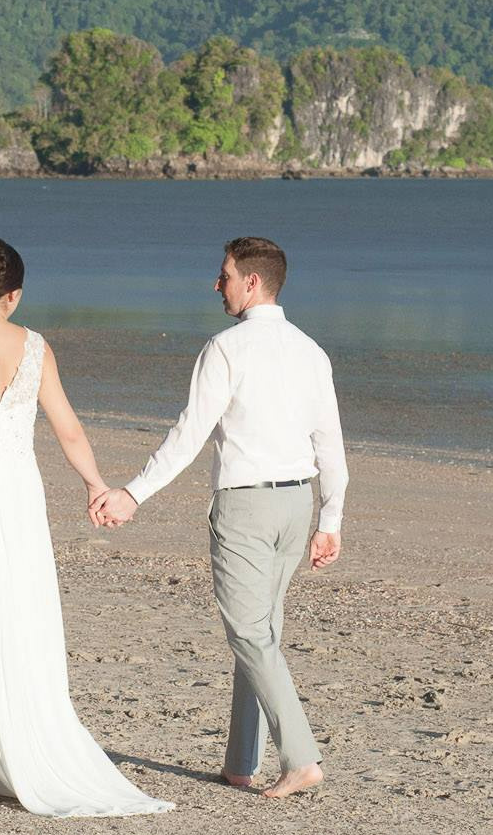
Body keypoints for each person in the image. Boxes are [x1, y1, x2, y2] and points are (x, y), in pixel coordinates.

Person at [0, 236, 171, 818]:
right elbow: (69, 429)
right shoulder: (36, 347)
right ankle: (25, 744)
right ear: (14, 294)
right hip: (20, 494)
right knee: (24, 611)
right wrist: (95, 484)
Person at [91, 236, 349, 800]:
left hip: (247, 505)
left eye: (225, 275)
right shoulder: (312, 350)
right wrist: (330, 517)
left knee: (252, 633)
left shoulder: (226, 347)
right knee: (262, 633)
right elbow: (329, 442)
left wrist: (133, 493)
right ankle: (240, 763)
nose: (217, 284)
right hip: (296, 501)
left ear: (252, 283)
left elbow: (189, 434)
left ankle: (302, 757)